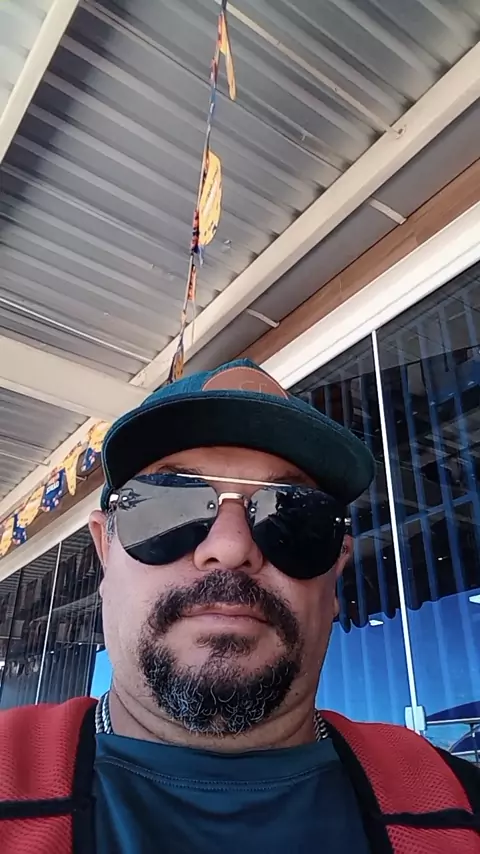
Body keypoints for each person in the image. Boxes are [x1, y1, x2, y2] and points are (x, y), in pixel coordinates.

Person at [0, 358, 478, 854]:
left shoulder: (460, 809)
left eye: (292, 515)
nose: (230, 547)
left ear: (336, 571)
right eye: (168, 505)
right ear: (105, 550)